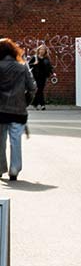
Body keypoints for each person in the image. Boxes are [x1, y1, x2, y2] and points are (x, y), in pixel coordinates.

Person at [0, 39, 35, 181]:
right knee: (15, 141)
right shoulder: (22, 66)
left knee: (0, 141)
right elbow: (32, 87)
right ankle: (14, 169)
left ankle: (0, 168)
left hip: (0, 110)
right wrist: (25, 102)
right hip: (18, 110)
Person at [28, 45, 52, 109]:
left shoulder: (46, 58)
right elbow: (28, 65)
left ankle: (35, 103)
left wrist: (52, 73)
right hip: (36, 76)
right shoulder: (35, 57)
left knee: (40, 90)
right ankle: (42, 104)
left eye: (43, 50)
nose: (42, 51)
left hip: (43, 76)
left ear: (45, 51)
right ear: (38, 50)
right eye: (41, 49)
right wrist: (34, 64)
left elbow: (49, 67)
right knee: (39, 89)